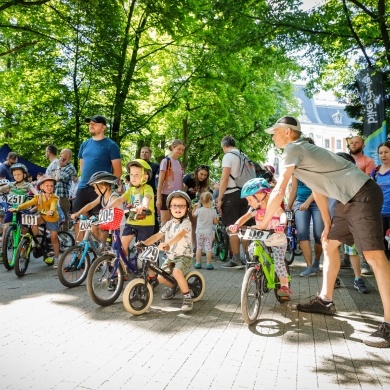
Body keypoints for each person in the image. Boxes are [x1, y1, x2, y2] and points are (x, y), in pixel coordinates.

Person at [261, 115, 390, 348]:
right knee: (329, 242)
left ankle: (389, 324)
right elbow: (319, 190)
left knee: (373, 256)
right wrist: (328, 223)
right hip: (346, 199)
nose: (273, 136)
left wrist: (263, 223)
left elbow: (279, 189)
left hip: (362, 194)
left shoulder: (294, 148)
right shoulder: (302, 155)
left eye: (275, 132)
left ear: (288, 132)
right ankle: (325, 301)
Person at [229, 178, 292, 297]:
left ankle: (284, 286)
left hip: (277, 241)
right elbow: (245, 217)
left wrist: (282, 224)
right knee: (252, 250)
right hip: (263, 239)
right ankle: (255, 269)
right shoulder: (254, 209)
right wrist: (236, 224)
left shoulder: (272, 206)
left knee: (279, 263)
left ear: (260, 195)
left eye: (249, 199)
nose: (248, 203)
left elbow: (282, 214)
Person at [138, 191, 194, 312]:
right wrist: (144, 243)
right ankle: (176, 287)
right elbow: (158, 235)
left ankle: (187, 296)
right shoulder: (168, 224)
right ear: (169, 208)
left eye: (181, 206)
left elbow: (180, 235)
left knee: (177, 272)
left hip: (184, 256)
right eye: (174, 205)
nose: (178, 208)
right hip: (171, 257)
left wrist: (168, 244)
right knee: (161, 278)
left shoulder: (186, 223)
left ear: (187, 208)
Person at [72, 115, 122, 238]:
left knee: (100, 222)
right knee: (78, 218)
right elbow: (82, 168)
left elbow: (118, 171)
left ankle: (102, 252)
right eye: (89, 123)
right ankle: (79, 253)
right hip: (83, 186)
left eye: (94, 123)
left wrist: (107, 189)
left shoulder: (111, 145)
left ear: (103, 127)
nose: (91, 125)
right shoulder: (84, 144)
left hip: (101, 188)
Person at [287, 137, 324, 277]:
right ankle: (309, 266)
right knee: (302, 233)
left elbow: (319, 187)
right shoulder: (295, 166)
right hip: (300, 201)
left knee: (319, 235)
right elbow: (294, 189)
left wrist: (308, 202)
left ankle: (316, 262)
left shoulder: (317, 166)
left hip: (317, 200)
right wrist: (288, 207)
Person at [217, 135, 253, 269]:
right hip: (246, 194)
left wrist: (220, 198)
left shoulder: (228, 156)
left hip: (232, 194)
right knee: (244, 227)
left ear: (224, 146)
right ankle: (248, 258)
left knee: (232, 227)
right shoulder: (244, 156)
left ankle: (236, 259)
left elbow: (224, 178)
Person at [106, 159, 154, 256]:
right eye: (131, 174)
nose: (133, 177)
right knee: (123, 247)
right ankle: (124, 269)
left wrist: (143, 205)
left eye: (137, 174)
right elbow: (120, 199)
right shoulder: (130, 190)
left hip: (145, 224)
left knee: (143, 252)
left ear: (145, 176)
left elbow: (147, 197)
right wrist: (108, 207)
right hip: (131, 222)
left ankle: (150, 270)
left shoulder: (147, 188)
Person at [11, 176, 60, 268]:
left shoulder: (54, 198)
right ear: (41, 187)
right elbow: (29, 203)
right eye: (47, 185)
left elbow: (53, 206)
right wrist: (17, 208)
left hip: (52, 219)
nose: (49, 187)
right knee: (32, 222)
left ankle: (57, 258)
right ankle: (36, 241)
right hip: (42, 217)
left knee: (54, 238)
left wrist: (51, 211)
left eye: (51, 186)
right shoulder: (38, 197)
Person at [345, 135, 377, 276]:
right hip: (345, 200)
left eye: (357, 142)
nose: (354, 144)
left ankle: (365, 262)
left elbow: (367, 182)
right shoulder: (343, 160)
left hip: (361, 202)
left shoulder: (368, 161)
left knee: (362, 232)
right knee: (344, 231)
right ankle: (346, 258)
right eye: (352, 142)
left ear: (363, 146)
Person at [71, 171, 120, 247]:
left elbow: (114, 213)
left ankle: (102, 248)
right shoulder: (101, 197)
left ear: (103, 187)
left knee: (100, 229)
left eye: (96, 188)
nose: (94, 190)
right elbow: (90, 205)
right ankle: (94, 246)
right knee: (83, 224)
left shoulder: (114, 198)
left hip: (118, 227)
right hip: (108, 224)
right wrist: (77, 213)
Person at [0, 163, 38, 237]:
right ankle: (4, 243)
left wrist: (38, 195)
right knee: (6, 227)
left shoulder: (27, 185)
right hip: (12, 208)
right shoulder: (11, 184)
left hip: (24, 208)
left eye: (19, 174)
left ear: (24, 175)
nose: (16, 176)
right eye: (15, 175)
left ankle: (26, 243)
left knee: (25, 228)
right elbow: (2, 188)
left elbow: (34, 190)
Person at [156, 139, 185, 228]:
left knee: (175, 222)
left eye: (182, 150)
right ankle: (163, 241)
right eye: (179, 149)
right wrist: (158, 198)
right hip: (166, 195)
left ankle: (171, 241)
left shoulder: (179, 163)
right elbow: (160, 181)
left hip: (177, 195)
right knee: (165, 222)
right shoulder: (166, 161)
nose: (181, 151)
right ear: (173, 147)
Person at [183, 164, 211, 248]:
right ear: (197, 172)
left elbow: (202, 195)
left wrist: (199, 204)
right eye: (201, 174)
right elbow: (182, 192)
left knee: (194, 224)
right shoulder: (189, 178)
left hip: (193, 203)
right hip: (184, 201)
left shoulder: (204, 182)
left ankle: (195, 246)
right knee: (182, 223)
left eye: (205, 175)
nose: (203, 177)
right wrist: (186, 204)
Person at [371, 141, 390, 259]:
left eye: (386, 152)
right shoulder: (376, 171)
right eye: (381, 153)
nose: (383, 155)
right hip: (380, 214)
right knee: (382, 245)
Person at [192, 191, 218, 270]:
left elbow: (193, 215)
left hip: (199, 232)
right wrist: (217, 219)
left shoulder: (199, 210)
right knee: (208, 248)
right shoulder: (213, 211)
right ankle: (209, 264)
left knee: (199, 248)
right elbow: (215, 222)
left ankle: (198, 263)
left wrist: (194, 208)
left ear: (201, 200)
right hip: (208, 233)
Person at [54, 149, 77, 232]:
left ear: (67, 156)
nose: (60, 155)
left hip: (63, 196)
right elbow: (52, 178)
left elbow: (58, 178)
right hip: (54, 195)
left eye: (61, 154)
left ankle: (65, 236)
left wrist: (59, 167)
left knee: (64, 216)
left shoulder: (71, 168)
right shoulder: (60, 166)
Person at [140, 146, 160, 233]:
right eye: (142, 152)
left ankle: (154, 236)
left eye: (146, 152)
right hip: (138, 193)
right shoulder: (136, 164)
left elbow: (159, 180)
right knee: (139, 214)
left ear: (150, 155)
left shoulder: (155, 166)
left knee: (152, 214)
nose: (144, 153)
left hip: (152, 195)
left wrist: (157, 193)